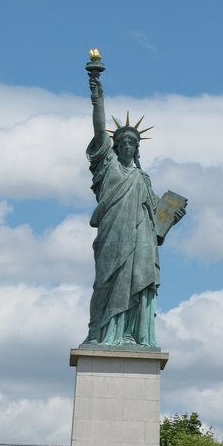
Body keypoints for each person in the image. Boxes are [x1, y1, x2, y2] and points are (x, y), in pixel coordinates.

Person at [82, 70, 186, 348]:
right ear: (114, 145)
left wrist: (172, 216)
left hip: (140, 241)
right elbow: (98, 128)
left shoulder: (143, 178)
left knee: (138, 284)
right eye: (123, 141)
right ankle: (101, 333)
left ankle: (133, 334)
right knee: (105, 285)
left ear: (138, 148)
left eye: (133, 142)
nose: (127, 144)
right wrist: (97, 98)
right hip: (112, 237)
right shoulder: (107, 166)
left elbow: (156, 218)